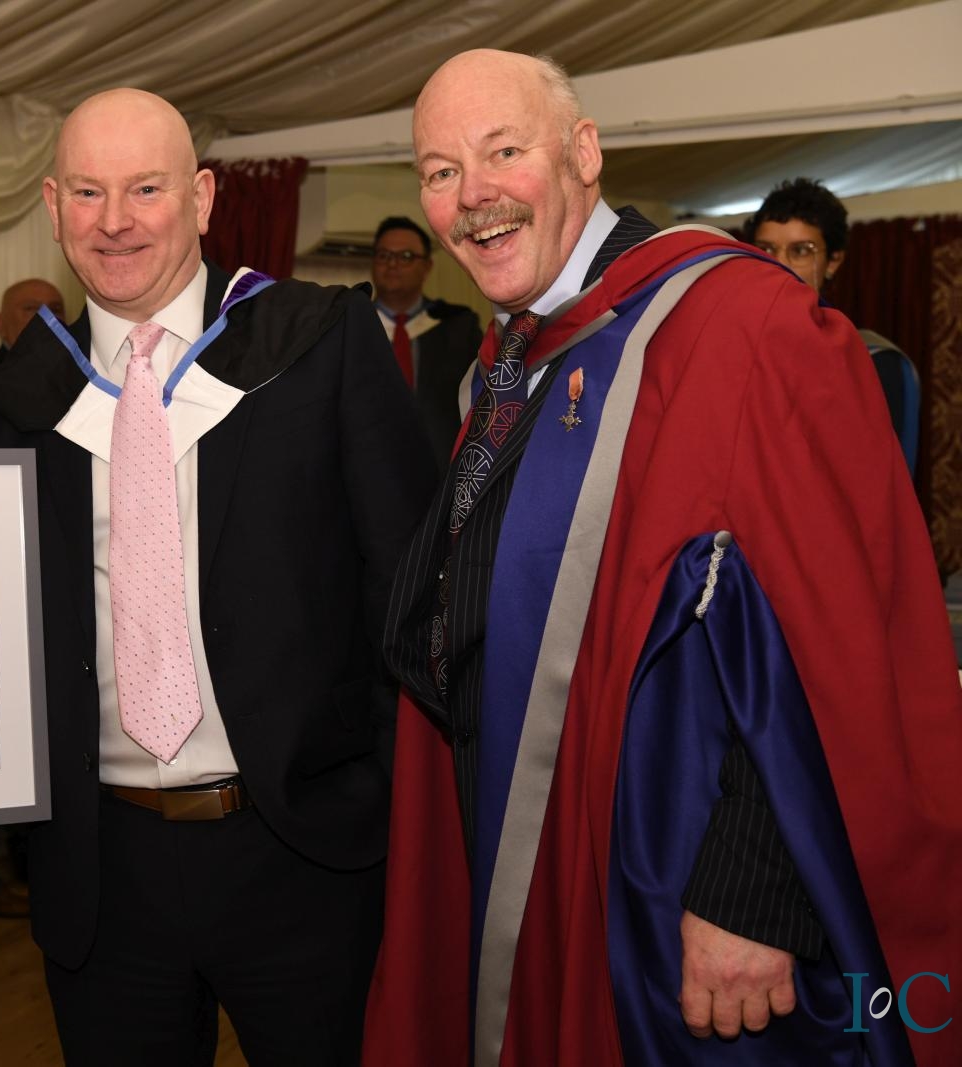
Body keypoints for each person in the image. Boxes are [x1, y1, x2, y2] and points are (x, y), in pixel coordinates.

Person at [366, 50, 962, 1067]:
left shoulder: (745, 325)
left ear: (583, 153)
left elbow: (845, 623)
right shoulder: (511, 358)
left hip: (665, 889)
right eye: (440, 171)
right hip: (523, 848)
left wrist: (757, 891)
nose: (472, 195)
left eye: (503, 152)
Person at [0, 88, 432, 1066]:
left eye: (146, 188)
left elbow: (407, 587)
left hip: (302, 851)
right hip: (104, 867)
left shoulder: (319, 345)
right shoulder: (5, 403)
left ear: (204, 197)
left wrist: (388, 800)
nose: (115, 220)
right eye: (87, 192)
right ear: (52, 207)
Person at [744, 177, 921, 477]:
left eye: (801, 250)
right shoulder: (735, 352)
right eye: (766, 249)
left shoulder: (873, 361)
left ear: (833, 261)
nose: (779, 264)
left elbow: (883, 480)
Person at [369, 216, 482, 481]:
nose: (393, 264)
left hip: (442, 476)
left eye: (406, 256)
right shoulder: (348, 327)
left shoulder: (459, 327)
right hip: (369, 475)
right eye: (384, 255)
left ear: (427, 266)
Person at [0, 278, 68, 374]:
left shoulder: (74, 372)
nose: (48, 317)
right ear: (0, 324)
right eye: (31, 308)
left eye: (56, 309)